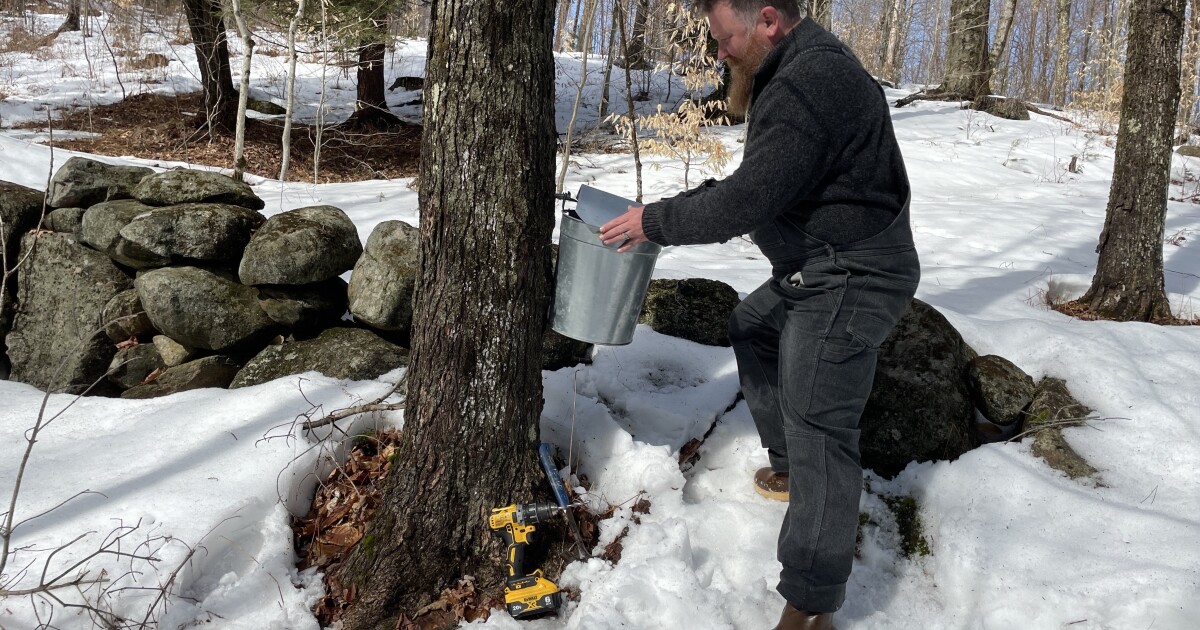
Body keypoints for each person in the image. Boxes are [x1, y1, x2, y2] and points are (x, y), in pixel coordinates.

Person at [598, 2, 920, 629]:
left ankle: (810, 605)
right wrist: (665, 210)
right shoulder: (797, 70)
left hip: (852, 274)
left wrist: (654, 223)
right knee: (753, 326)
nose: (720, 54)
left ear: (768, 21)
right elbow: (763, 182)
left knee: (819, 428)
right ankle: (796, 475)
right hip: (819, 266)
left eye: (725, 40)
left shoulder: (809, 81)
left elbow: (747, 200)